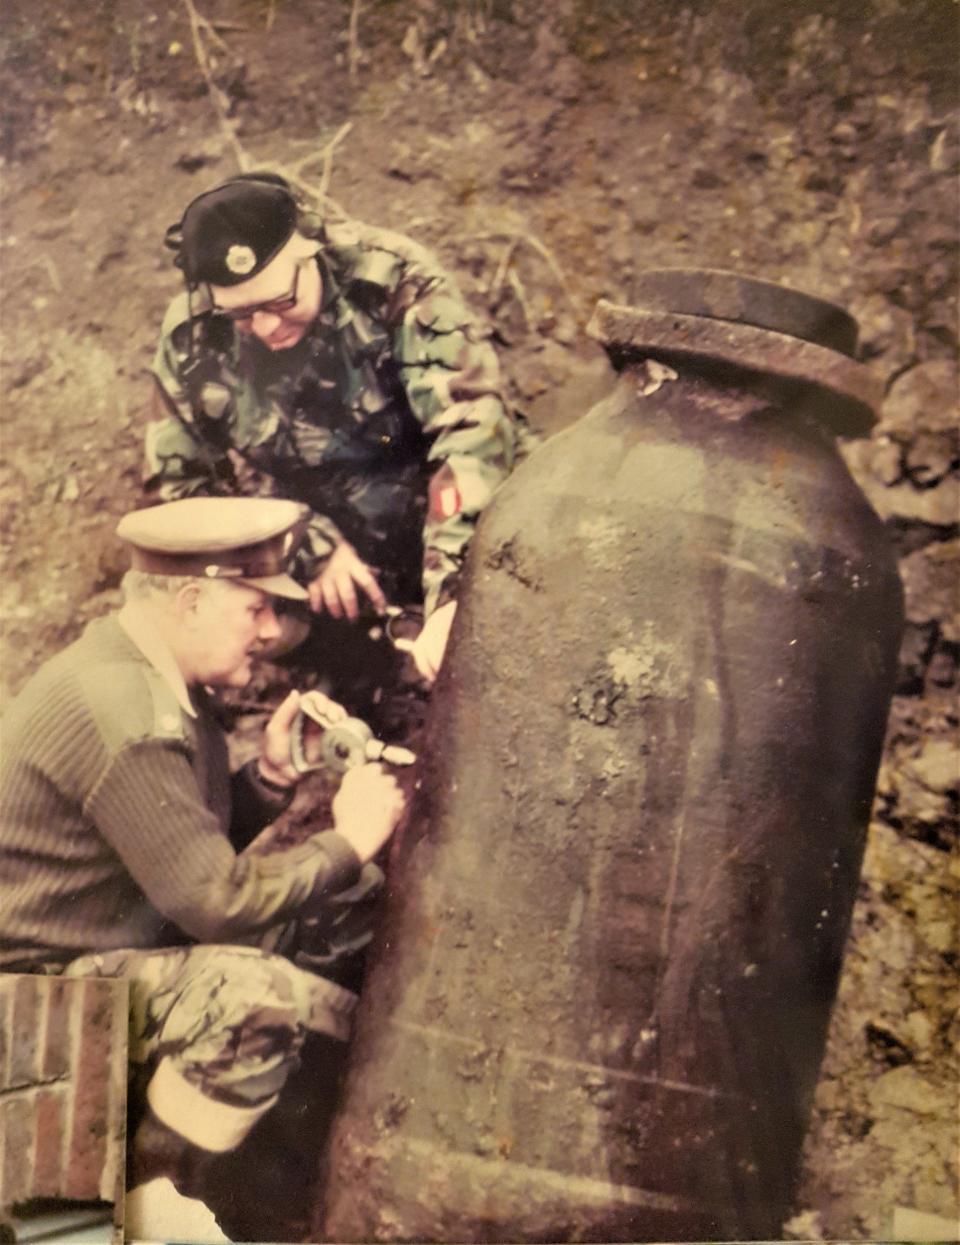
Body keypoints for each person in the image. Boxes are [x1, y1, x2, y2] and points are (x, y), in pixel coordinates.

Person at [0, 496, 406, 1241]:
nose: (269, 633)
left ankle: (266, 1175)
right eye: (254, 609)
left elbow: (163, 849)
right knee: (250, 996)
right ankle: (149, 1201)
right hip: (33, 1011)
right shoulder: (125, 703)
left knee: (348, 902)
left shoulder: (151, 680)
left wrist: (269, 785)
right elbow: (212, 901)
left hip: (90, 970)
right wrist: (347, 840)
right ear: (189, 599)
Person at [145, 171, 527, 695]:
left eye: (281, 302)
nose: (267, 327)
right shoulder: (192, 338)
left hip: (439, 509)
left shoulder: (394, 280)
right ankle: (348, 677)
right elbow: (182, 497)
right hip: (314, 534)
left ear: (312, 251)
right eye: (242, 315)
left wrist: (455, 593)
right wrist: (304, 544)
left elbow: (469, 433)